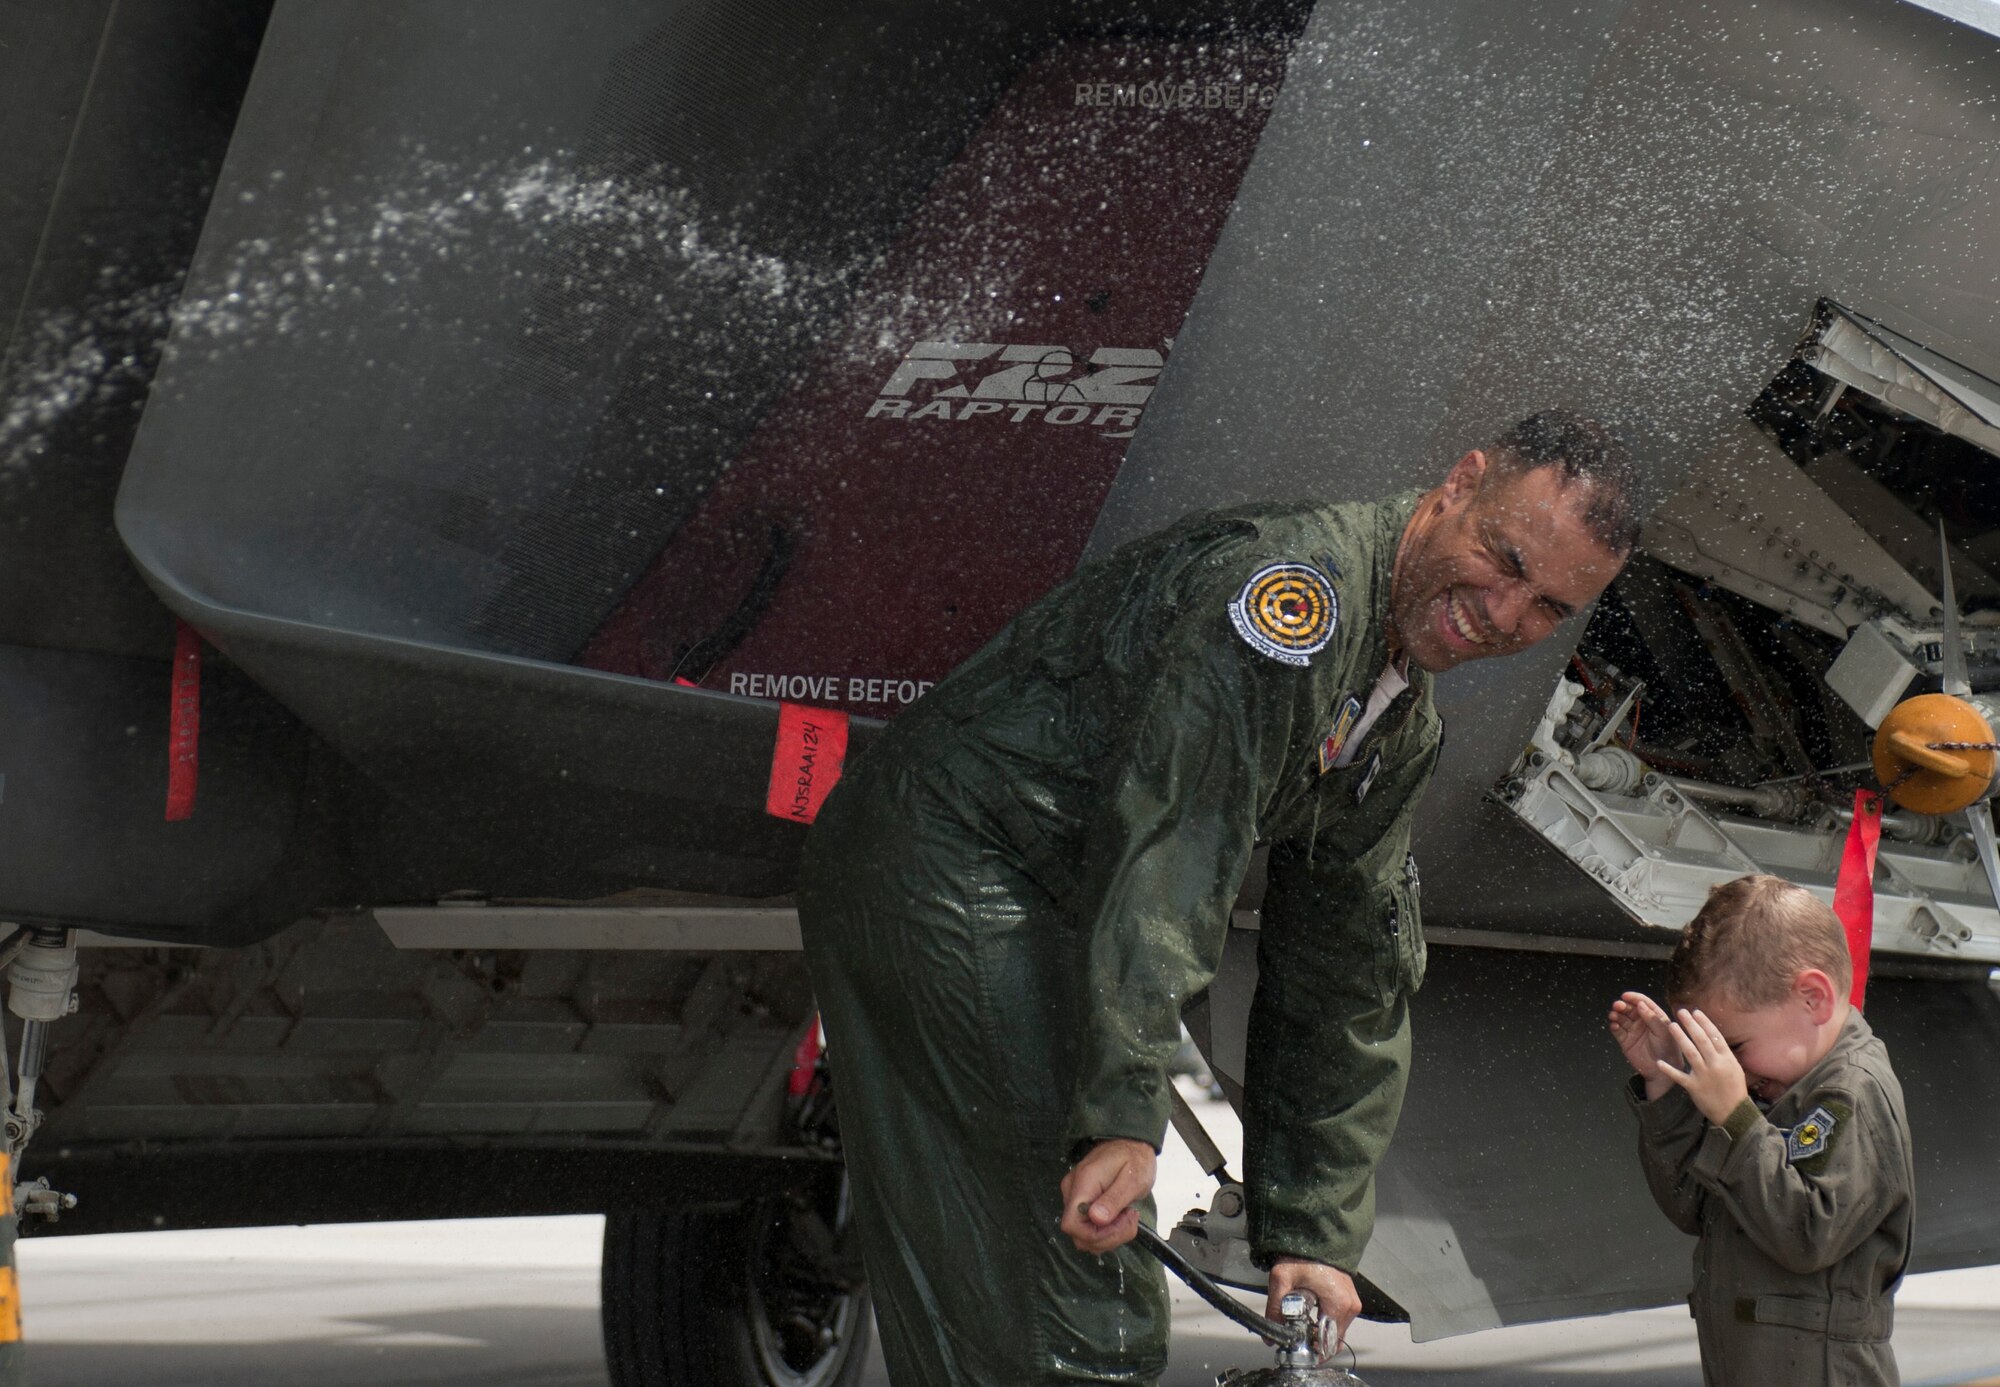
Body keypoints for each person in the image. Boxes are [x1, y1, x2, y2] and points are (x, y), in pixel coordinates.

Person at [799, 409, 1636, 1385]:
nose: (1503, 612)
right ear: (1457, 482)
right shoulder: (1291, 602)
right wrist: (1118, 1114)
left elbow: (1344, 962)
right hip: (958, 868)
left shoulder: (1397, 720)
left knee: (1016, 1316)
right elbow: (1175, 850)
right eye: (1503, 557)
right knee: (1080, 1318)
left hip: (1039, 902)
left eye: (1545, 606)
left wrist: (1313, 1230)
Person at [1608, 875, 1914, 1387]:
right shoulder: (1769, 1092)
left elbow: (1808, 1236)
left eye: (1736, 1046)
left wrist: (1737, 1117)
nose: (1733, 1070)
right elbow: (1693, 1208)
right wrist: (1663, 1084)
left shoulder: (1851, 1092)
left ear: (1813, 999)